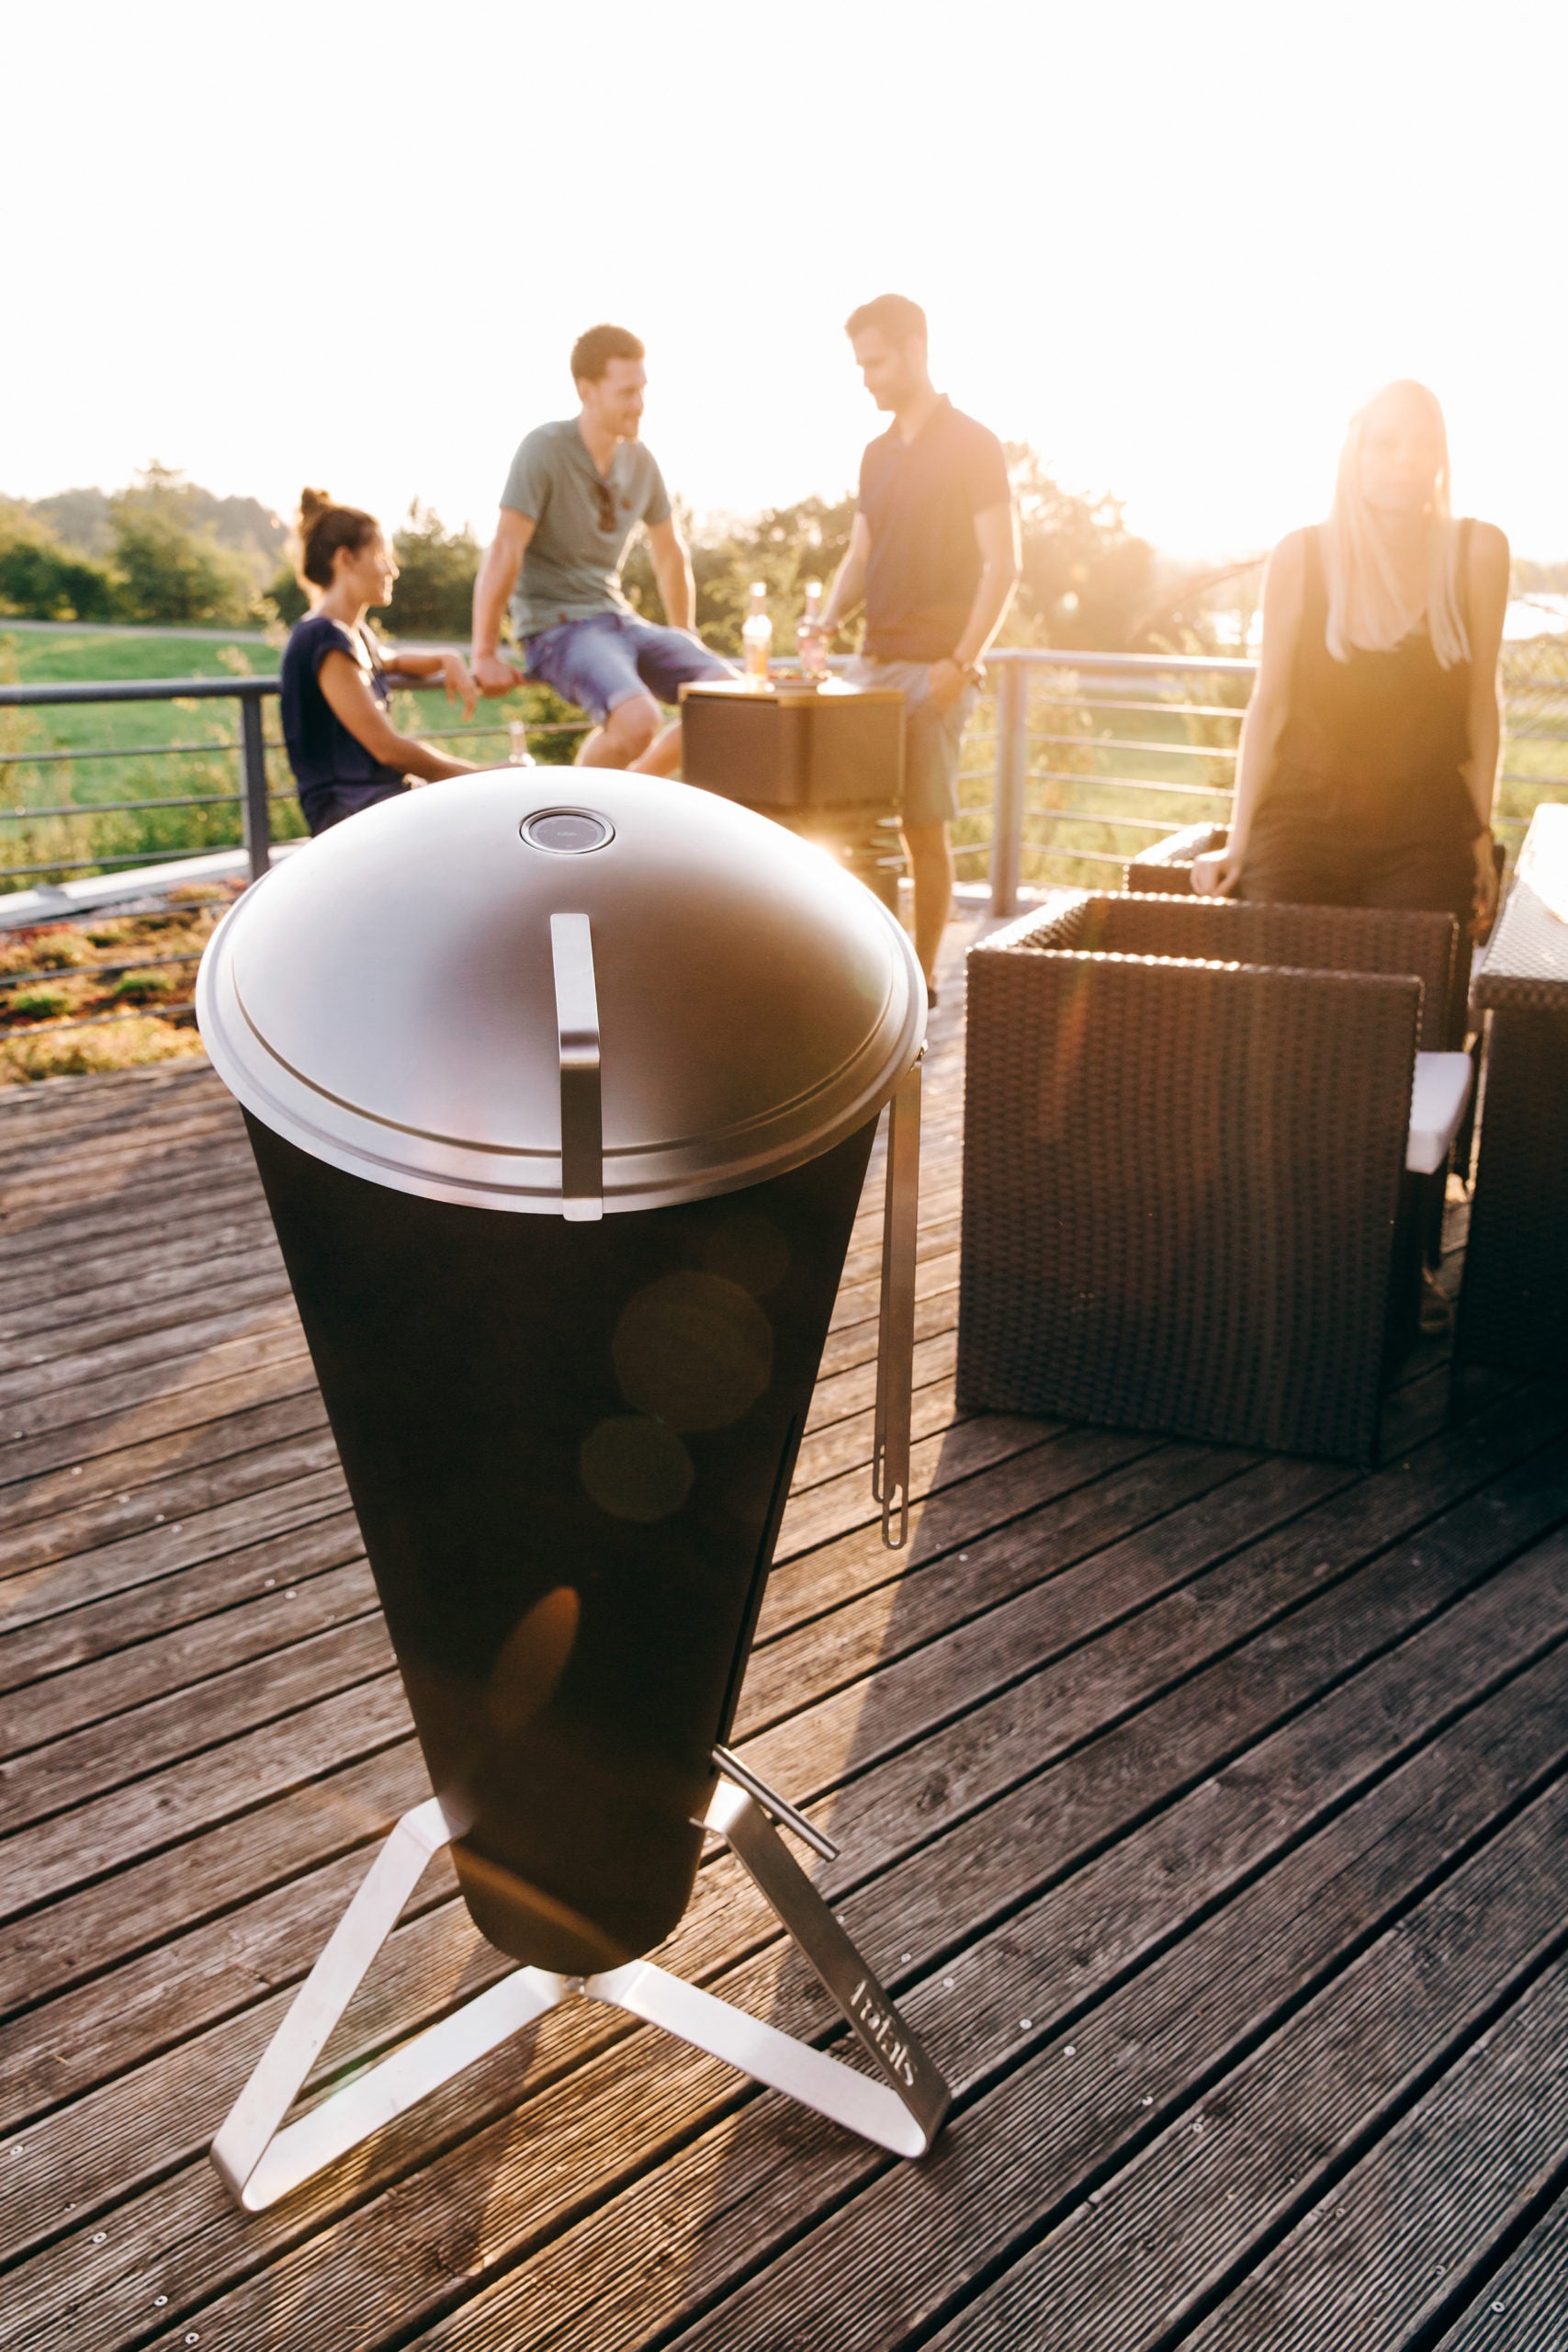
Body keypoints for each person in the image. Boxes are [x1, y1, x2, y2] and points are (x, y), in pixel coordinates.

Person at [1191, 380, 1507, 940]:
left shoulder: (1478, 552)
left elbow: (1482, 704)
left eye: (1424, 443)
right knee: (1277, 974)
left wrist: (1480, 835)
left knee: (1410, 976)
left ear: (1441, 458)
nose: (1406, 459)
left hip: (1425, 829)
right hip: (1302, 819)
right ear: (1353, 455)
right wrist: (1238, 841)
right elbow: (1269, 706)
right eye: (1386, 443)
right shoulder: (1301, 555)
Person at [803, 294, 1020, 994]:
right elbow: (860, 556)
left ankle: (921, 983)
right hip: (870, 668)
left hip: (935, 672)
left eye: (876, 363)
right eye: (859, 365)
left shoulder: (974, 444)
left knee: (923, 832)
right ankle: (862, 978)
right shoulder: (875, 455)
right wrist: (825, 622)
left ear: (916, 350)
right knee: (849, 828)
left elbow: (1004, 564)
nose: (866, 378)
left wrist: (960, 663)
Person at [469, 324, 732, 771]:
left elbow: (670, 552)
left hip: (618, 618)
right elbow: (505, 549)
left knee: (734, 698)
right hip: (557, 628)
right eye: (626, 392)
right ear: (586, 391)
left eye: (642, 390)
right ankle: (588, 802)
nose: (639, 404)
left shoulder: (640, 460)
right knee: (637, 721)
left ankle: (623, 796)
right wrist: (484, 652)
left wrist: (682, 632)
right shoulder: (544, 449)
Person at [280, 492, 479, 836]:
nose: (393, 570)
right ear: (345, 559)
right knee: (482, 818)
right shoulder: (323, 639)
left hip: (374, 803)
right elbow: (388, 749)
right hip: (347, 815)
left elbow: (393, 661)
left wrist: (446, 658)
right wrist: (479, 776)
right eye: (381, 556)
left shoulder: (353, 635)